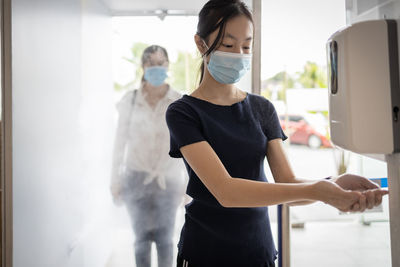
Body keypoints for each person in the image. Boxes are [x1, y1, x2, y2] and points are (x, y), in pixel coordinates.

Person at [165, 1, 389, 266]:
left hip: (257, 249)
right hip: (205, 251)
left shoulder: (262, 108)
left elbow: (288, 182)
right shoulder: (183, 112)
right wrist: (320, 192)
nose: (239, 54)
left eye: (246, 46)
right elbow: (226, 191)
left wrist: (335, 183)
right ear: (201, 44)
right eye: (228, 45)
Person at [111, 45, 186, 267]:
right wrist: (114, 180)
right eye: (151, 64)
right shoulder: (130, 100)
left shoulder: (178, 101)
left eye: (161, 63)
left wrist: (189, 184)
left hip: (169, 181)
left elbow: (187, 147)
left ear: (168, 66)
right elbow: (119, 143)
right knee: (141, 240)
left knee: (165, 240)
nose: (156, 68)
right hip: (135, 178)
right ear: (143, 67)